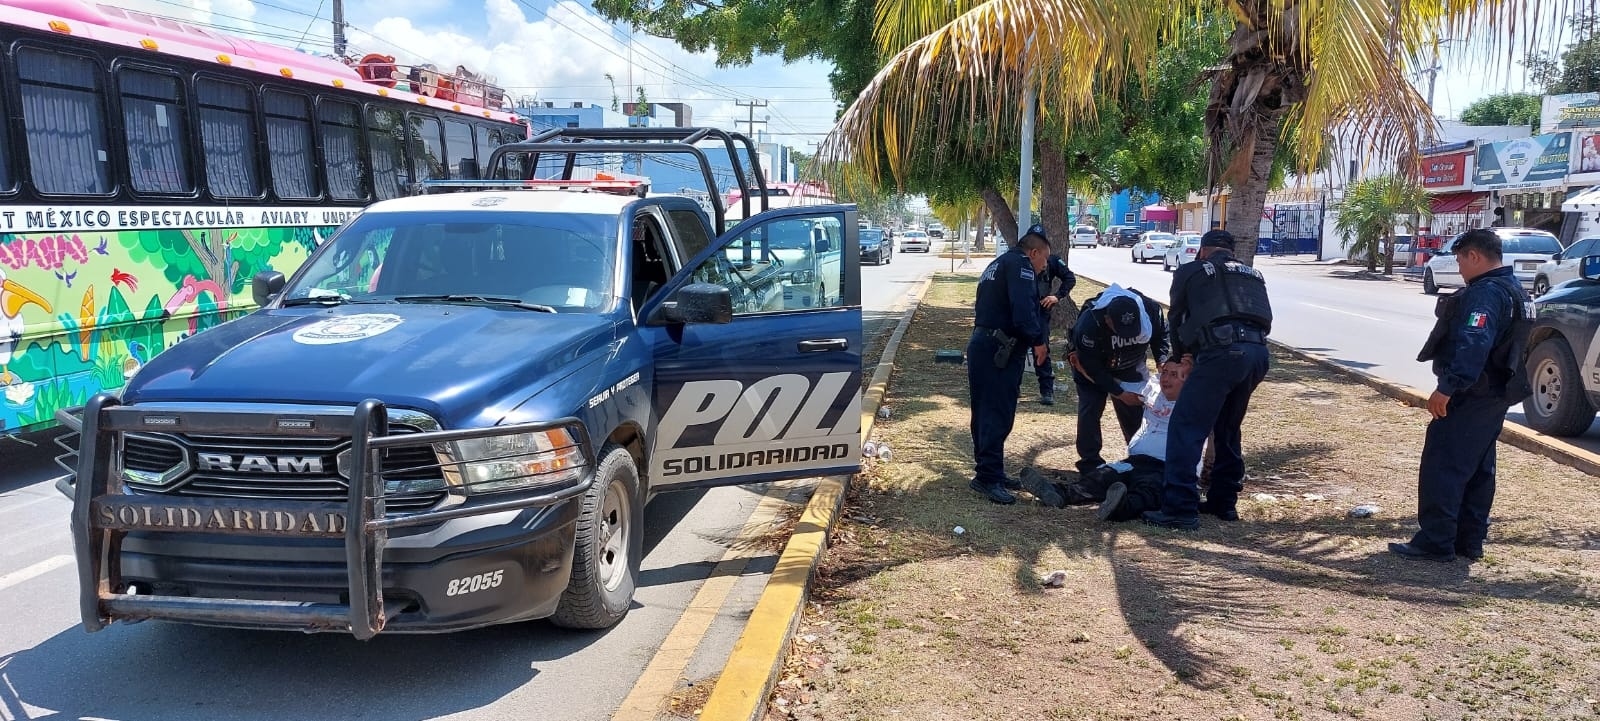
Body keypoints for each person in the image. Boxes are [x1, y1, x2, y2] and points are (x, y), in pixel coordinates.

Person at [1392, 229, 1531, 562]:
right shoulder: (1515, 289)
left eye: (1459, 259)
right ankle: (1468, 541)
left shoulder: (1485, 294)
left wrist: (1447, 388)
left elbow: (1474, 342)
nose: (1459, 267)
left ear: (1475, 256)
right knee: (1479, 469)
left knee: (1445, 464)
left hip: (1472, 393)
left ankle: (1436, 541)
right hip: (1496, 393)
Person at [1143, 229, 1273, 530]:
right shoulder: (1252, 274)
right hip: (1257, 353)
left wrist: (1183, 357)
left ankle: (1179, 508)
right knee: (1227, 426)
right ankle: (1223, 502)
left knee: (1186, 427)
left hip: (1221, 354)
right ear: (1231, 251)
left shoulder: (1193, 270)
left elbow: (1177, 318)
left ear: (1203, 251)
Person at [1023, 363, 1200, 522]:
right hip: (1135, 461)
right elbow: (1112, 383)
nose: (1166, 379)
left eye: (1175, 375)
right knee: (1103, 476)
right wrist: (1083, 363)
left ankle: (1119, 508)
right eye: (1165, 372)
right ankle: (1059, 493)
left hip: (1167, 466)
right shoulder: (1152, 389)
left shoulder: (1198, 404)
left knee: (1148, 491)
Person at [967, 227, 1053, 504]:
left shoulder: (999, 263)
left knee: (985, 411)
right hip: (999, 349)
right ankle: (988, 478)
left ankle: (991, 470)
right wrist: (1039, 340)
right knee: (996, 413)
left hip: (985, 344)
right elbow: (1024, 309)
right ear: (1034, 252)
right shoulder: (1021, 265)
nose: (1045, 266)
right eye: (1044, 259)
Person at [1066, 284, 1169, 474]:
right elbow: (1092, 369)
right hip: (1093, 365)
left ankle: (1140, 458)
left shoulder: (1151, 310)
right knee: (1091, 408)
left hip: (1129, 364)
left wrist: (1162, 360)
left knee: (1135, 409)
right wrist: (1119, 392)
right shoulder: (1090, 324)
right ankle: (1090, 463)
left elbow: (1161, 335)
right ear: (1107, 320)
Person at [1030, 250, 1077, 405]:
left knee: (1042, 350)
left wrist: (1057, 296)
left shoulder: (1052, 261)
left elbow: (1070, 278)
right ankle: (1012, 389)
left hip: (1041, 310)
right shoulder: (1019, 260)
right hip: (1021, 310)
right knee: (1015, 349)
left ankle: (1047, 391)